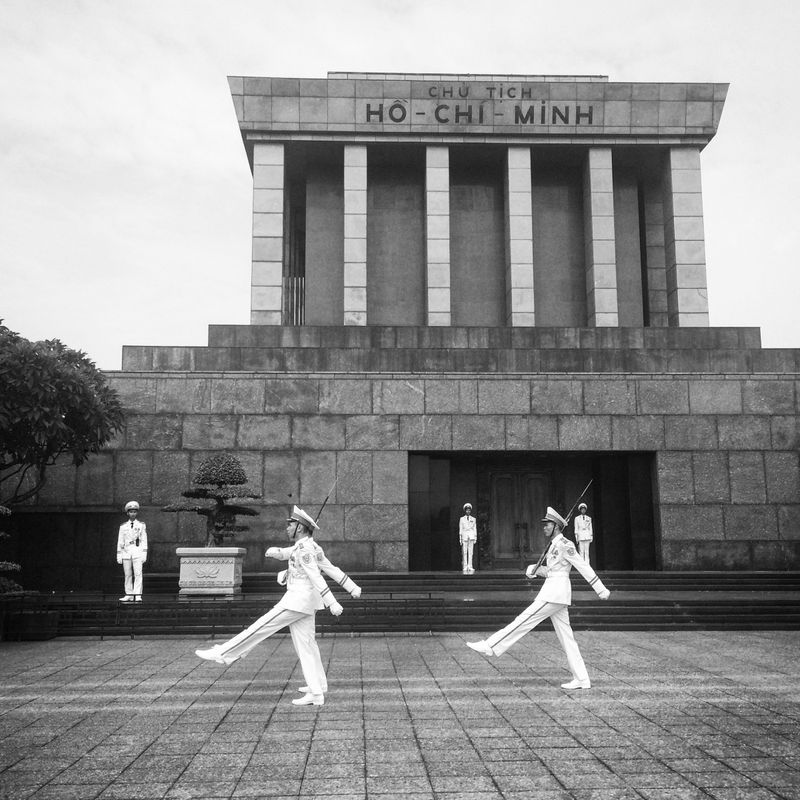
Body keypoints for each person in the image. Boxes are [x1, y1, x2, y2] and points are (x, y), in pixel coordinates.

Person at [195, 505, 361, 707]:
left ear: (299, 528)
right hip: (304, 603)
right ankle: (317, 689)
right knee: (307, 646)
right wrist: (352, 587)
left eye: (290, 525)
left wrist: (332, 602)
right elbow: (316, 563)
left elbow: (317, 575)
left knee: (259, 628)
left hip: (296, 601)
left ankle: (223, 653)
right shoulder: (309, 546)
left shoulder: (305, 550)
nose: (287, 528)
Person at [466, 506, 610, 690]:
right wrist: (533, 570)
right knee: (567, 639)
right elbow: (551, 570)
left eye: (547, 524)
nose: (544, 527)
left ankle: (490, 645)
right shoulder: (554, 545)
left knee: (523, 620)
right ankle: (582, 678)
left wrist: (600, 589)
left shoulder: (566, 544)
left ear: (556, 526)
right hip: (554, 591)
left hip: (554, 593)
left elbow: (583, 566)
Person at [117, 500, 147, 602]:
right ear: (127, 513)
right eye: (131, 512)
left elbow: (144, 540)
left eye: (134, 511)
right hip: (126, 551)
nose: (133, 513)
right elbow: (120, 541)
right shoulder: (123, 526)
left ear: (137, 513)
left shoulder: (141, 525)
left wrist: (144, 553)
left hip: (137, 550)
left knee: (138, 574)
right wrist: (119, 554)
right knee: (128, 574)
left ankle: (137, 595)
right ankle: (129, 594)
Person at [459, 502, 477, 574]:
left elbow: (474, 528)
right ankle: (465, 566)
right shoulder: (462, 519)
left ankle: (470, 565)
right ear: (465, 511)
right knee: (464, 552)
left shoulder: (473, 519)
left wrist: (475, 537)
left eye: (469, 510)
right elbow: (461, 528)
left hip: (471, 536)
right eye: (467, 510)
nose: (468, 511)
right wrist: (460, 538)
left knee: (471, 552)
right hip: (465, 536)